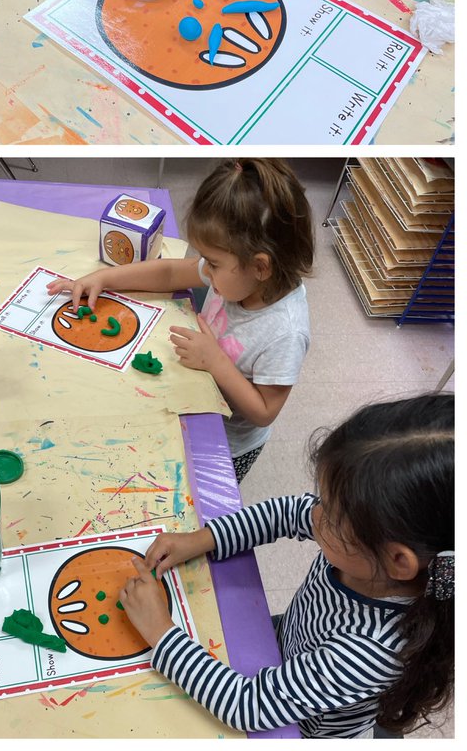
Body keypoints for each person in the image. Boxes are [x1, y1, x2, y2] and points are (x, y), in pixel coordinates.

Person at [120, 393, 453, 737]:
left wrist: (160, 630)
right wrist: (202, 539)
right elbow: (289, 511)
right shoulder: (370, 549)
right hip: (284, 647)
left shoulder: (369, 650)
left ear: (398, 560)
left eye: (333, 517)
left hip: (302, 730)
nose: (315, 514)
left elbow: (245, 705)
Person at [50, 159, 313, 482]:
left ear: (261, 267)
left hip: (224, 443)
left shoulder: (285, 333)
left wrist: (215, 360)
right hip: (187, 396)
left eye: (213, 264)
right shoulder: (239, 275)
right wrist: (105, 278)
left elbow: (264, 412)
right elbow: (171, 271)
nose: (206, 269)